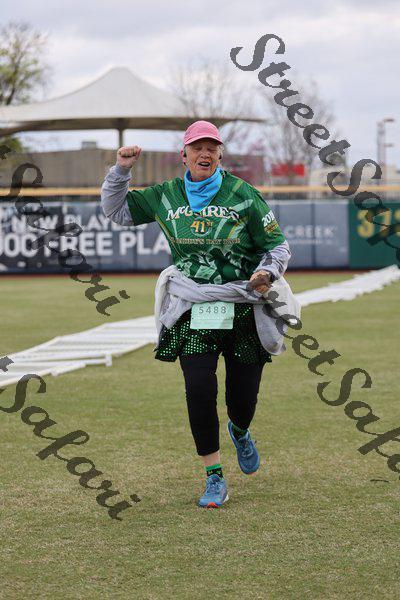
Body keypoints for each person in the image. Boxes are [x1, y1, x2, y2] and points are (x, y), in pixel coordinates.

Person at [100, 120, 291, 508]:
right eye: (197, 147)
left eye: (211, 147)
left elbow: (277, 245)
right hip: (194, 306)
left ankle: (240, 431)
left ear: (220, 155)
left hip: (242, 306)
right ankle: (214, 475)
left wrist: (266, 273)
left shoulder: (243, 195)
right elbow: (116, 211)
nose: (205, 153)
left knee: (242, 400)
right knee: (199, 389)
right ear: (183, 155)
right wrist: (120, 171)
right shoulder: (165, 195)